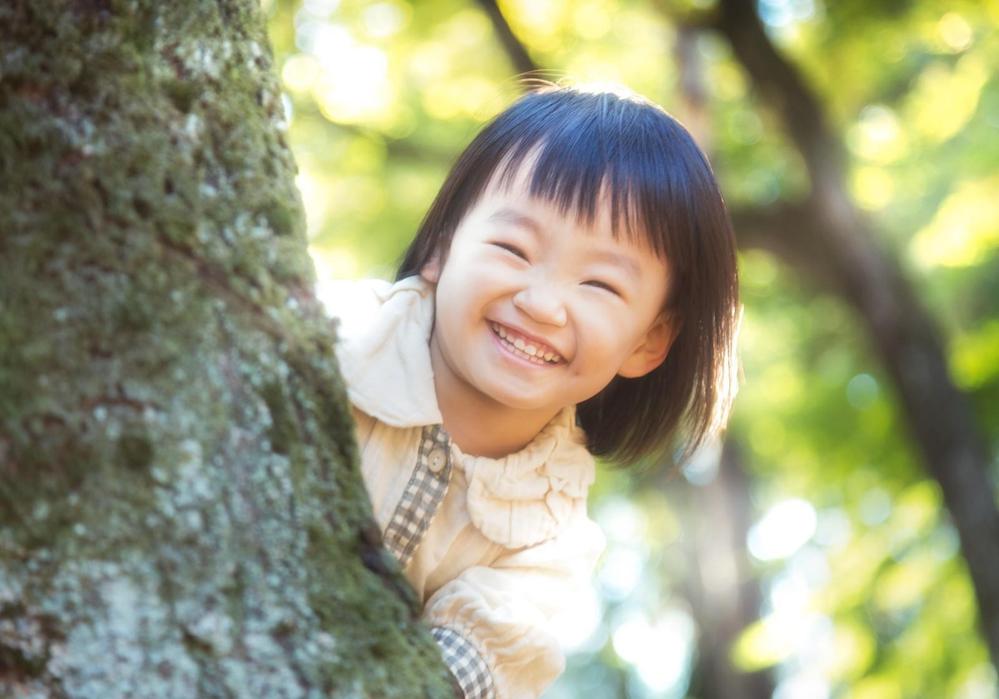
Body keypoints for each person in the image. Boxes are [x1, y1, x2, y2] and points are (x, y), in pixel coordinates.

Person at [327, 84, 740, 698]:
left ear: (648, 341)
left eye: (600, 285)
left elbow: (472, 667)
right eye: (512, 248)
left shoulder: (552, 543)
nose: (542, 304)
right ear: (443, 245)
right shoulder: (331, 344)